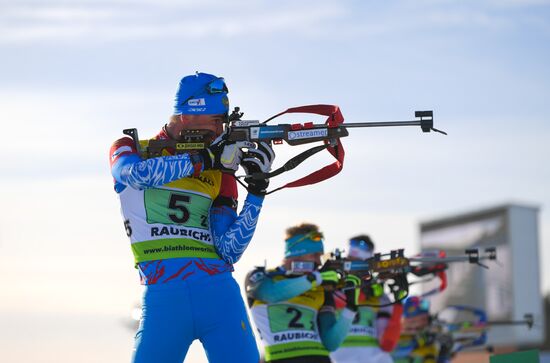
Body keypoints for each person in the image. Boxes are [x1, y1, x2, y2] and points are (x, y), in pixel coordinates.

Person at [109, 72, 275, 363]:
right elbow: (134, 174)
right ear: (188, 115)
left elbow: (228, 250)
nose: (220, 128)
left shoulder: (219, 172)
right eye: (216, 119)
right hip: (163, 299)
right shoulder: (132, 147)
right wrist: (203, 160)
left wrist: (257, 192)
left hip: (219, 294)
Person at [245, 223, 360, 363]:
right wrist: (315, 278)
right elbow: (271, 294)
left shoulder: (319, 287)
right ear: (295, 254)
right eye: (314, 255)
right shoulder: (263, 276)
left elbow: (331, 343)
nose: (319, 261)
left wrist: (351, 309)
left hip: (320, 358)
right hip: (281, 358)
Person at [330, 235, 403, 363]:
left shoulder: (379, 297)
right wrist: (360, 290)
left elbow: (387, 344)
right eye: (349, 261)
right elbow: (339, 303)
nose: (352, 269)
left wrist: (398, 303)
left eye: (358, 264)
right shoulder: (334, 290)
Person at [392, 296, 437, 363]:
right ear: (409, 320)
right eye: (423, 319)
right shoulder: (391, 334)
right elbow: (390, 352)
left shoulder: (426, 341)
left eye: (427, 319)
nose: (426, 323)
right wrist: (415, 344)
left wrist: (443, 354)